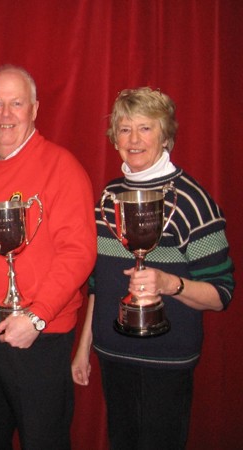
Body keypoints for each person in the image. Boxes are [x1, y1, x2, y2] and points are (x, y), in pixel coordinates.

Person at [71, 87, 235, 449]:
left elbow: (221, 294)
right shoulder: (108, 198)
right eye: (125, 129)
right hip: (113, 355)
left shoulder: (193, 200)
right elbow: (99, 283)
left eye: (145, 128)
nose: (133, 139)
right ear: (114, 139)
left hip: (167, 362)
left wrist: (169, 284)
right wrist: (85, 346)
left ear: (165, 135)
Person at [0, 65, 97, 449]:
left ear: (34, 108)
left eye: (16, 103)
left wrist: (37, 316)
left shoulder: (62, 168)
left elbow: (78, 253)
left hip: (40, 338)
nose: (6, 114)